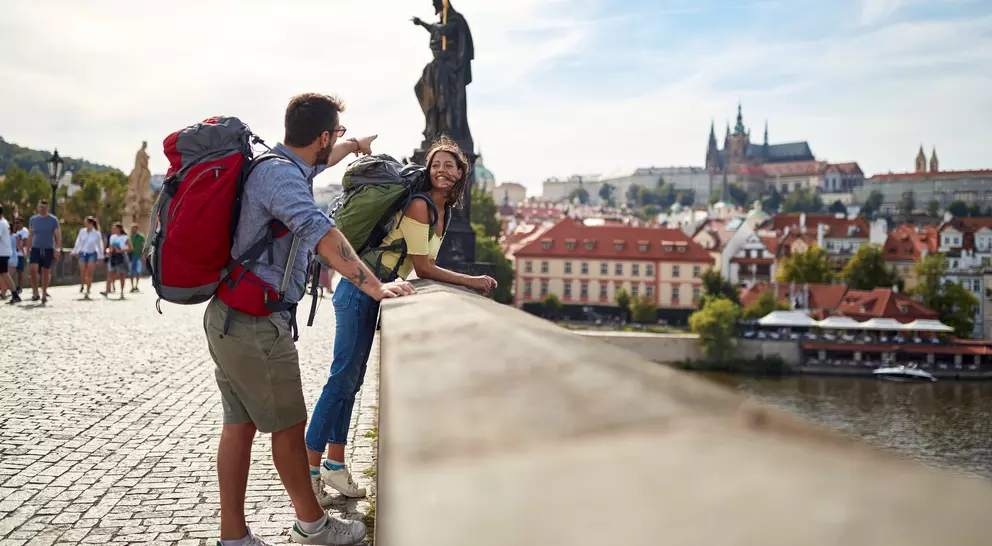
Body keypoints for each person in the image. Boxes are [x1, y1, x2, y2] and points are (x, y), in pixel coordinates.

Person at [203, 93, 415, 546]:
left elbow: (323, 162)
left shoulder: (280, 164)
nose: (334, 142)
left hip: (231, 315)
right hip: (256, 323)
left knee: (238, 427)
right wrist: (375, 286)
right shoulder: (285, 180)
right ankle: (313, 526)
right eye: (333, 134)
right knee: (289, 426)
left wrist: (354, 144)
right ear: (320, 136)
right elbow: (324, 236)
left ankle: (233, 537)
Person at [305, 135, 496, 502]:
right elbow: (424, 267)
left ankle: (334, 467)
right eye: (437, 164)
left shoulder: (443, 210)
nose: (443, 170)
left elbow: (419, 265)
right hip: (358, 290)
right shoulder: (421, 206)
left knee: (352, 381)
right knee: (341, 379)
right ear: (429, 169)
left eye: (450, 165)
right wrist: (471, 280)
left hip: (374, 291)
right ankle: (309, 470)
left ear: (460, 174)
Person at [26, 199, 61, 304]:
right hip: (35, 248)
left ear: (47, 208)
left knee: (45, 271)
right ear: (37, 207)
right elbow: (30, 234)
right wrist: (27, 249)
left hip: (48, 248)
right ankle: (35, 292)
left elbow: (57, 235)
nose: (42, 209)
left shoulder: (53, 220)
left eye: (44, 208)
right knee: (33, 269)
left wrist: (57, 249)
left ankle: (44, 293)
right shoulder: (33, 219)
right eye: (40, 207)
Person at [71, 217, 104, 299]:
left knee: (89, 272)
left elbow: (100, 245)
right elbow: (78, 242)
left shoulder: (96, 234)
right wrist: (75, 251)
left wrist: (101, 256)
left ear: (91, 224)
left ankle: (88, 289)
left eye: (86, 223)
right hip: (83, 253)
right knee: (82, 272)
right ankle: (83, 283)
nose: (85, 224)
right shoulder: (82, 231)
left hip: (92, 254)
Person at [102, 222, 131, 299]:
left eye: (114, 228)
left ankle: (122, 292)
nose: (112, 229)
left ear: (119, 229)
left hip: (121, 257)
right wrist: (108, 251)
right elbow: (110, 247)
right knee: (110, 273)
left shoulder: (125, 237)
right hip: (113, 256)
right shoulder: (112, 237)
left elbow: (130, 248)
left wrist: (121, 250)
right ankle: (107, 290)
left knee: (121, 275)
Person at [0, 205, 20, 304]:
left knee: (4, 273)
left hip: (2, 253)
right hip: (4, 252)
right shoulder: (4, 222)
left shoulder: (0, 223)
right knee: (4, 274)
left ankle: (15, 295)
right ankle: (15, 295)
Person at [128, 223, 146, 293]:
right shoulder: (129, 236)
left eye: (134, 228)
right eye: (132, 228)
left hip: (138, 256)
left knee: (138, 271)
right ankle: (132, 286)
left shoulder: (141, 236)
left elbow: (143, 246)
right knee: (131, 272)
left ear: (137, 229)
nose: (132, 230)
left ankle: (136, 285)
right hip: (131, 256)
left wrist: (143, 255)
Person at [12, 217, 27, 294]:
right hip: (15, 254)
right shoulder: (16, 232)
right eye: (15, 223)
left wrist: (20, 248)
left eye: (18, 223)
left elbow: (25, 242)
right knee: (15, 271)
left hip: (21, 254)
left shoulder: (24, 231)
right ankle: (15, 286)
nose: (17, 224)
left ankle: (20, 287)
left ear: (22, 223)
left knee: (20, 271)